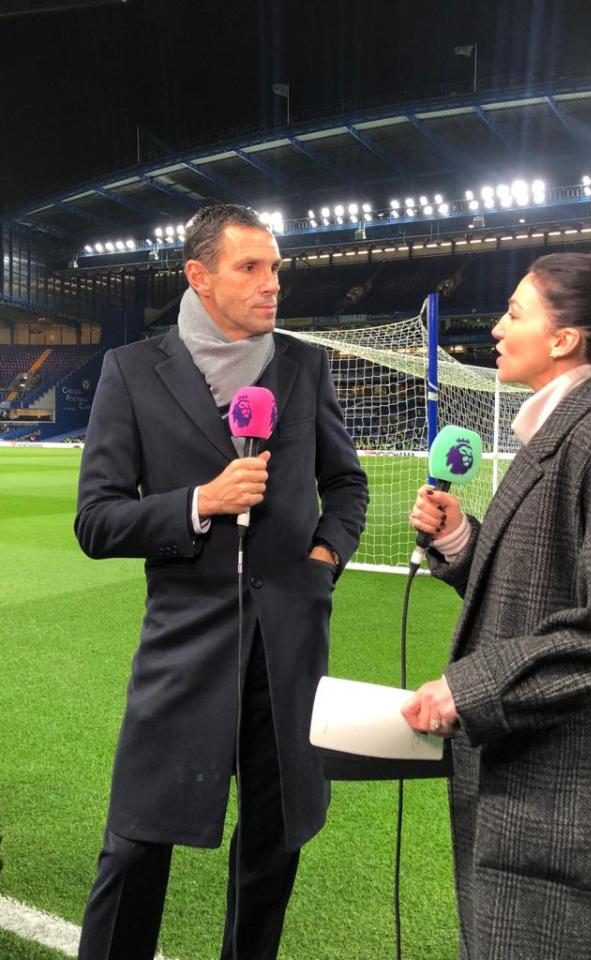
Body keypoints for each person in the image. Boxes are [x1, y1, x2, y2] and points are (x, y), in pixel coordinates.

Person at [74, 204, 368, 960]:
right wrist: (200, 503)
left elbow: (348, 486)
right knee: (136, 842)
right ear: (199, 277)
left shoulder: (304, 365)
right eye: (250, 268)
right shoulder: (132, 372)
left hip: (289, 646)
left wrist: (322, 565)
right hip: (185, 645)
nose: (271, 284)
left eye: (275, 267)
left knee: (275, 841)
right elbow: (97, 521)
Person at [403, 252, 591, 960]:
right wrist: (462, 539)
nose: (498, 328)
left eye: (516, 313)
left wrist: (464, 688)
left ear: (564, 340)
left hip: (565, 799)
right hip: (530, 788)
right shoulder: (557, 437)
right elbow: (538, 590)